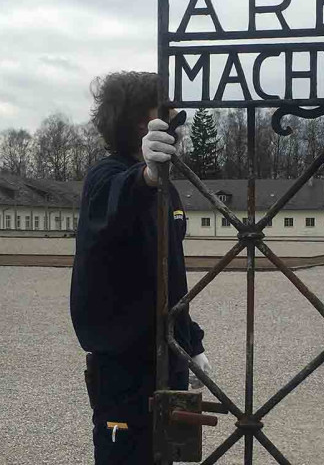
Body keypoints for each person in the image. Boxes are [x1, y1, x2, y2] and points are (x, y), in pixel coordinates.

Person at [70, 71, 213, 464]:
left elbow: (169, 277)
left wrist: (190, 340)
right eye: (163, 110)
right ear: (136, 121)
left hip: (166, 354)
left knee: (167, 455)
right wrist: (146, 176)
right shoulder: (107, 176)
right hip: (124, 365)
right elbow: (118, 203)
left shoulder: (167, 186)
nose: (175, 119)